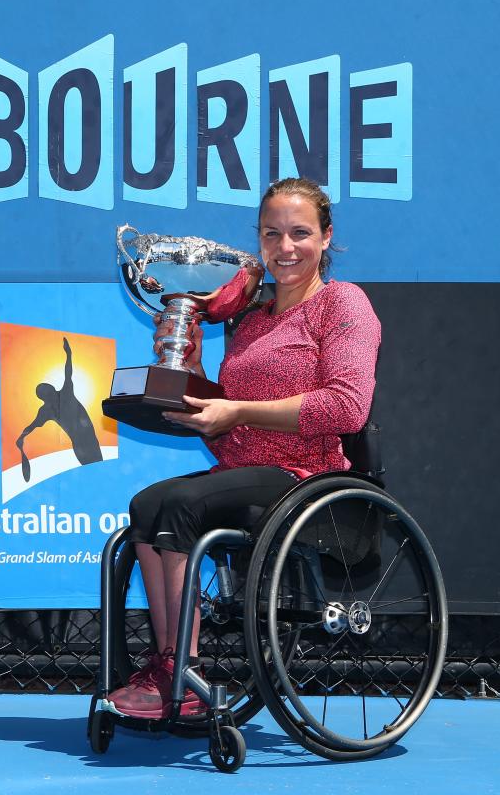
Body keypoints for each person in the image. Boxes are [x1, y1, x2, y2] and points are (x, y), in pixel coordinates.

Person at [104, 177, 381, 719]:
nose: (285, 247)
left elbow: (346, 408)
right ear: (257, 241)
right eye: (272, 234)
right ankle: (168, 665)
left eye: (300, 233)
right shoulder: (248, 321)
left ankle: (181, 677)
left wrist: (239, 412)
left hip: (306, 474)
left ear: (326, 238)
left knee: (182, 505)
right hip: (242, 467)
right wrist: (185, 367)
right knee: (145, 505)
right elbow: (223, 419)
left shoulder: (343, 304)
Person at [15, 337, 103, 481]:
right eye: (45, 390)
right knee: (95, 475)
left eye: (46, 388)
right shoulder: (49, 407)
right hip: (83, 445)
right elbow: (31, 427)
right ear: (46, 395)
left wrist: (22, 437)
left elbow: (68, 372)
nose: (48, 389)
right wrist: (22, 437)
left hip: (86, 443)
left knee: (97, 474)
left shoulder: (57, 400)